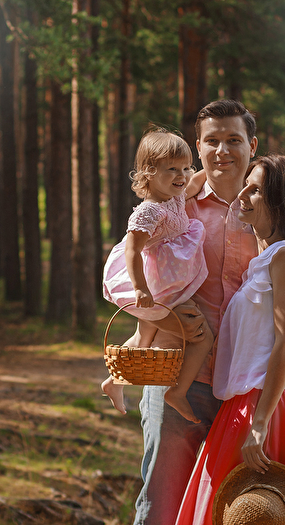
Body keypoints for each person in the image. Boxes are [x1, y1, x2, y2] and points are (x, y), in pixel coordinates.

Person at [175, 154, 285, 525]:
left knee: (249, 513)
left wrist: (259, 424)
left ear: (281, 202)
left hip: (261, 405)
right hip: (241, 403)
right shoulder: (267, 259)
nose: (242, 193)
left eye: (255, 189)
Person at [132, 99, 261, 525]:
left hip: (241, 385)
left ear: (252, 145)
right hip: (177, 374)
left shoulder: (268, 210)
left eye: (233, 140)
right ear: (198, 147)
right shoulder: (175, 204)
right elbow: (129, 261)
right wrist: (144, 319)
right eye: (212, 141)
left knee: (227, 510)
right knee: (161, 506)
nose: (222, 150)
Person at [102, 127, 214, 423]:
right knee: (202, 337)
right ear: (149, 172)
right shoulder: (149, 211)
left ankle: (114, 381)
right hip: (155, 284)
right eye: (172, 169)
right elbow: (132, 250)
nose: (183, 175)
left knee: (143, 336)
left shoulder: (175, 195)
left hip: (170, 279)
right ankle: (177, 392)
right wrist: (140, 288)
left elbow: (199, 179)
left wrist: (214, 169)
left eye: (186, 167)